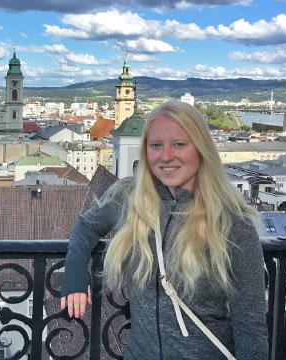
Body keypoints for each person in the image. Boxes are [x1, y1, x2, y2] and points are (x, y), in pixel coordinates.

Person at [61, 100, 269, 359]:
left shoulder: (232, 222)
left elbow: (250, 326)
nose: (166, 156)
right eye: (156, 145)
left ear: (201, 148)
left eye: (179, 144)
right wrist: (75, 273)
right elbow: (85, 226)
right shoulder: (129, 196)